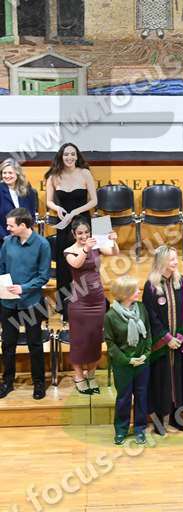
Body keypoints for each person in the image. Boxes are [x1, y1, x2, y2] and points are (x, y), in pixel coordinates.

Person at [64, 216, 119, 395]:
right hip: (79, 302)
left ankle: (92, 374)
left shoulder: (96, 246)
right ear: (74, 234)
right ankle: (79, 375)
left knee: (95, 339)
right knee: (79, 341)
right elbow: (77, 264)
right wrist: (86, 248)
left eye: (87, 232)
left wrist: (113, 241)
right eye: (80, 233)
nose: (84, 236)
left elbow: (114, 253)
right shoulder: (69, 251)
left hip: (97, 300)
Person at [0, 208, 51, 400]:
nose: (7, 228)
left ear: (23, 225)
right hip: (8, 302)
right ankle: (7, 381)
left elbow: (44, 276)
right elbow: (1, 267)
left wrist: (24, 288)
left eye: (10, 225)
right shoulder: (7, 242)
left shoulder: (42, 244)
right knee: (7, 344)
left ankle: (39, 383)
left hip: (31, 302)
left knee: (35, 344)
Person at [143, 246, 183, 434]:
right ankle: (159, 421)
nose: (175, 262)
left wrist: (180, 337)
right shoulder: (151, 286)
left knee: (180, 381)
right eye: (171, 259)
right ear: (162, 261)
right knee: (160, 382)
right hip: (161, 346)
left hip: (180, 344)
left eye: (175, 258)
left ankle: (177, 418)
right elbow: (151, 316)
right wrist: (167, 338)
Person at [45, 143, 97, 322]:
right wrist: (57, 208)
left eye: (72, 154)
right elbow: (49, 201)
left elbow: (94, 201)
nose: (69, 157)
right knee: (64, 265)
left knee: (85, 261)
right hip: (64, 223)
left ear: (77, 156)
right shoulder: (53, 175)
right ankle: (65, 308)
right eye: (66, 154)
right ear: (61, 156)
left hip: (83, 223)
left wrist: (75, 211)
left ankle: (87, 303)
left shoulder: (85, 173)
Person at [104, 275, 151, 445]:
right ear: (124, 294)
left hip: (142, 363)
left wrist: (146, 354)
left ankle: (140, 429)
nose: (138, 291)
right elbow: (110, 343)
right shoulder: (110, 316)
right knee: (123, 398)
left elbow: (148, 334)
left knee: (141, 397)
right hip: (123, 365)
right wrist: (127, 360)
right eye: (134, 290)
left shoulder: (141, 308)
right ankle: (121, 430)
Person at [0, 158, 38, 245]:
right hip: (3, 239)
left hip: (25, 238)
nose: (7, 176)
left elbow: (31, 215)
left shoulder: (28, 190)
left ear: (17, 173)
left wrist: (26, 234)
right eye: (4, 173)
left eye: (10, 173)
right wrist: (5, 237)